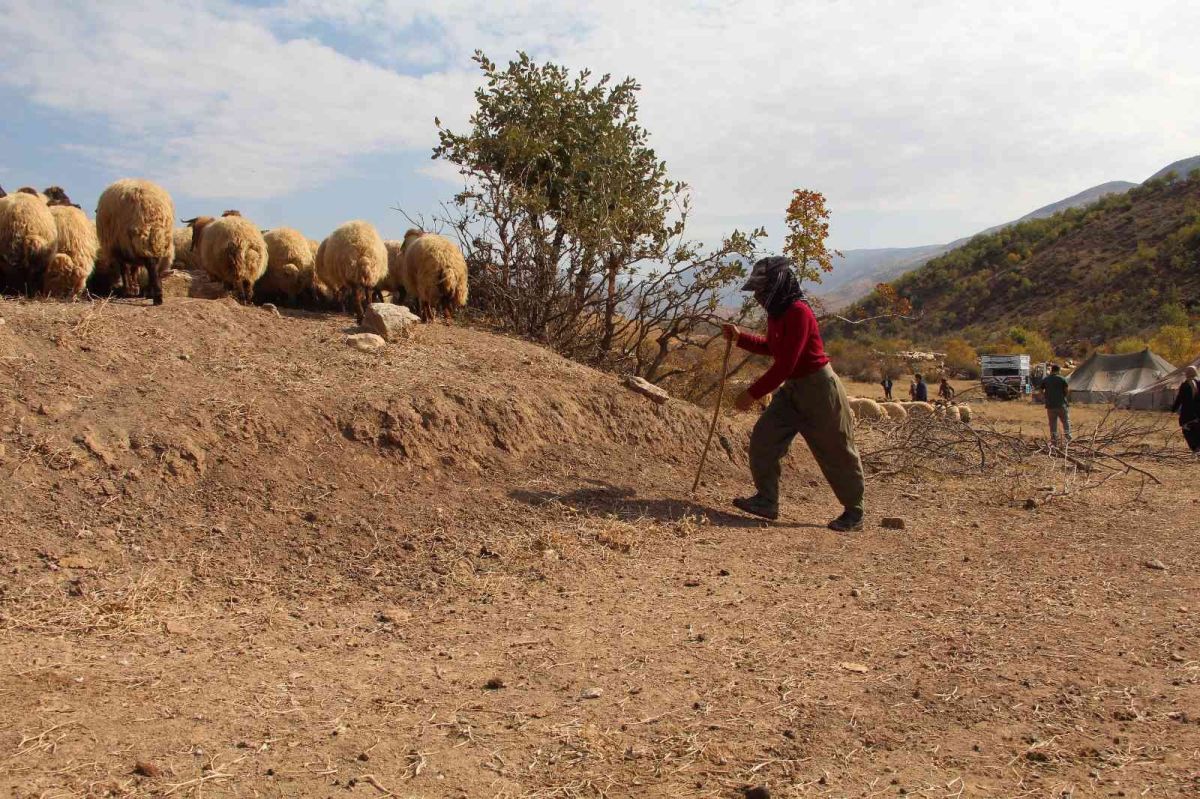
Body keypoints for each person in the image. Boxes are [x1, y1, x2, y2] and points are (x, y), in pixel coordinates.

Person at [721, 256, 865, 532]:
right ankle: (766, 501)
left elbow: (786, 363)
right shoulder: (779, 314)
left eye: (763, 289)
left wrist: (752, 393)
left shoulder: (798, 312)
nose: (759, 296)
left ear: (778, 285)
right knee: (765, 438)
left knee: (836, 449)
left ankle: (854, 511)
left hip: (819, 389)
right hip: (794, 390)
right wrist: (741, 338)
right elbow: (776, 348)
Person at [1172, 365, 1200, 452]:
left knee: (1186, 430)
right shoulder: (1199, 384)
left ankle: (1195, 448)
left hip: (1187, 415)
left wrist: (1173, 409)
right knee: (1197, 430)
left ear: (1186, 374)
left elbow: (1179, 399)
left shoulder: (1184, 385)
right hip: (1198, 414)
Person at [1042, 363, 1071, 445]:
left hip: (1050, 406)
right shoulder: (1062, 379)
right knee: (1066, 422)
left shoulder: (1046, 379)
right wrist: (1064, 396)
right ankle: (1068, 438)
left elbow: (1041, 390)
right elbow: (1066, 390)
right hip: (1061, 405)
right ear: (1058, 370)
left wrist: (1046, 397)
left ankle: (1054, 440)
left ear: (1051, 370)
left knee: (1052, 424)